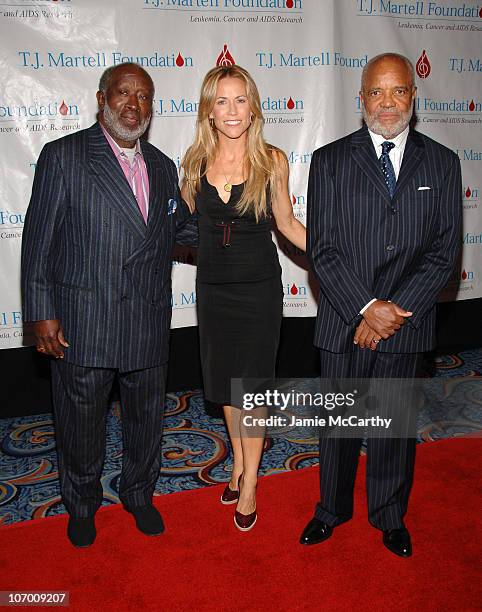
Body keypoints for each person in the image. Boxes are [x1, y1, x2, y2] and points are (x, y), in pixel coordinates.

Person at [21, 62, 196, 547]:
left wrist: (232, 221)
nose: (132, 105)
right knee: (79, 422)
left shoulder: (162, 165)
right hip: (84, 319)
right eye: (123, 94)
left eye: (143, 97)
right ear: (102, 98)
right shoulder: (65, 156)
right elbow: (38, 244)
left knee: (146, 418)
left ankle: (139, 493)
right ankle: (81, 503)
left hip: (145, 316)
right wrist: (42, 314)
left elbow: (180, 229)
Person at [301, 53, 461, 557]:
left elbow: (444, 252)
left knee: (393, 426)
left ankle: (390, 515)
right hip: (346, 320)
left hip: (406, 321)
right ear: (361, 100)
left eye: (397, 91)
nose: (386, 102)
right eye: (376, 92)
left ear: (413, 97)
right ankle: (330, 510)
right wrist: (367, 307)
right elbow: (322, 248)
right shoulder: (329, 160)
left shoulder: (443, 162)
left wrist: (392, 311)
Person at [181, 65, 306, 531]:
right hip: (213, 291)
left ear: (253, 107)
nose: (232, 111)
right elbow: (186, 230)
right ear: (209, 111)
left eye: (240, 100)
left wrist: (337, 259)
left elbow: (289, 224)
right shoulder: (193, 162)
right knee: (229, 389)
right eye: (221, 101)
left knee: (251, 389)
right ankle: (238, 462)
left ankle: (251, 482)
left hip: (258, 292)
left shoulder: (271, 160)